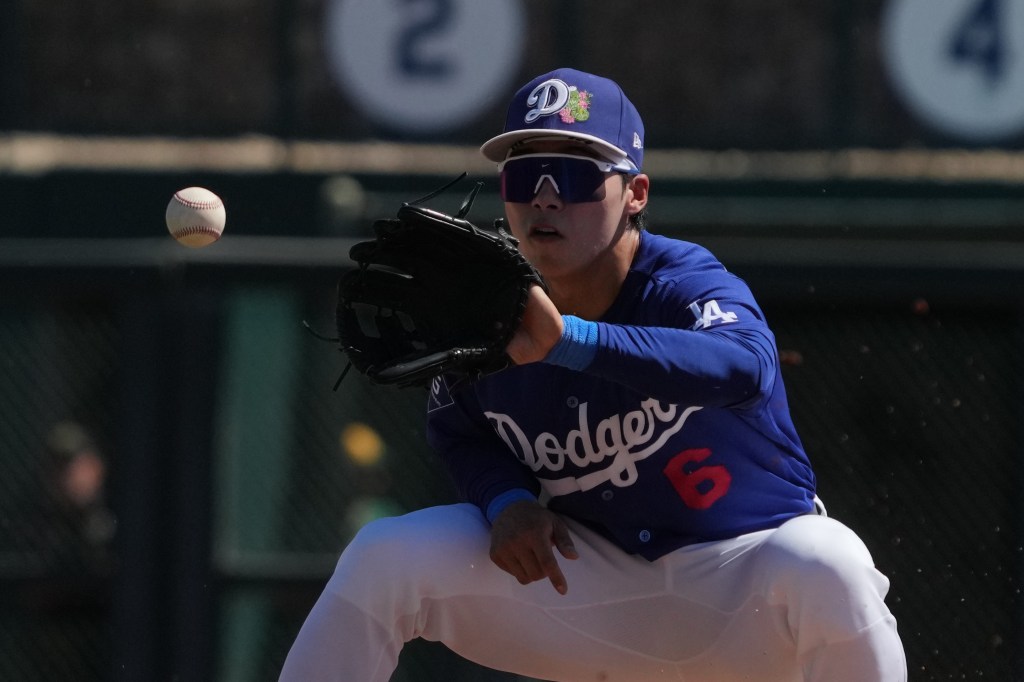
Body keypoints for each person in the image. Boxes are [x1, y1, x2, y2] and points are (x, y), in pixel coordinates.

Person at [280, 67, 907, 681]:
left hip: (743, 588)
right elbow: (457, 427)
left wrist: (571, 343)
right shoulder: (488, 303)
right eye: (525, 174)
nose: (546, 196)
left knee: (833, 565)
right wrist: (507, 499)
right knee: (383, 557)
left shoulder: (683, 281)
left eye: (576, 175)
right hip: (584, 592)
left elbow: (743, 366)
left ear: (635, 194)